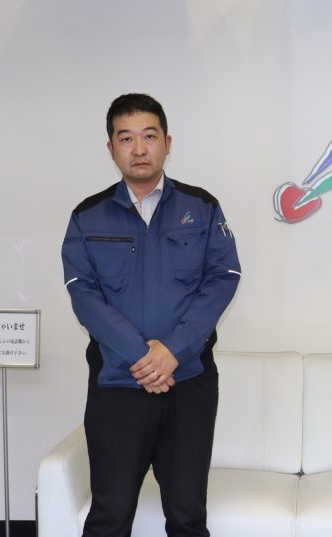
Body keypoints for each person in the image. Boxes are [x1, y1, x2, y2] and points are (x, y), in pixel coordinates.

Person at [61, 93, 241, 536]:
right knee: (110, 515)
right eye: (126, 138)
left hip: (188, 385)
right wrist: (142, 356)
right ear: (111, 149)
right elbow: (84, 295)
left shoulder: (201, 207)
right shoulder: (88, 216)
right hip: (117, 386)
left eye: (149, 136)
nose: (139, 149)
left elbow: (222, 278)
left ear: (167, 143)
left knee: (187, 516)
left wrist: (173, 351)